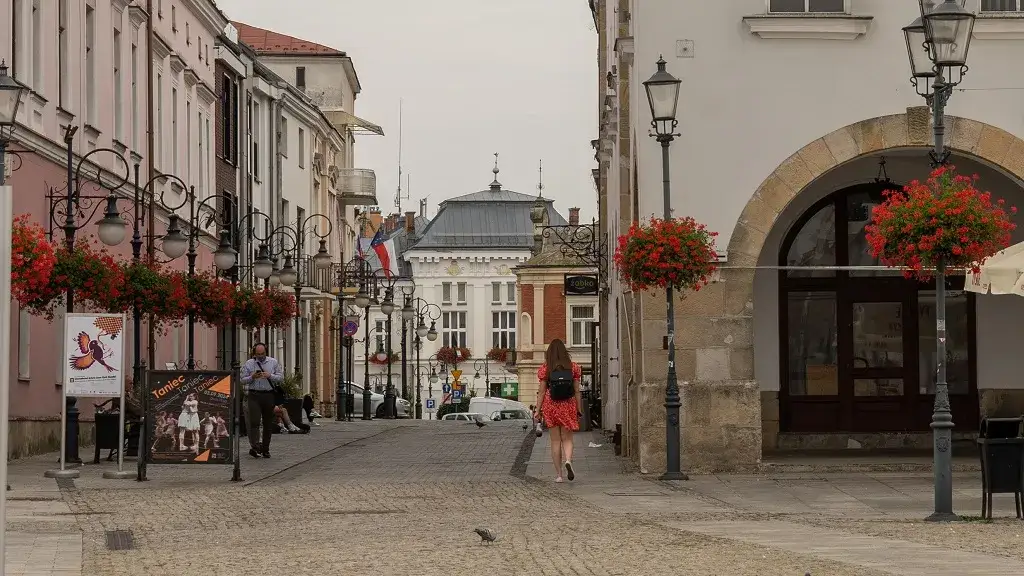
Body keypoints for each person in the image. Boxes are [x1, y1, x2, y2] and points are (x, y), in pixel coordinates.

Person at [535, 338, 583, 483]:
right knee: (567, 439)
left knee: (555, 441)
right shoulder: (573, 367)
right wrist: (578, 409)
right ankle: (568, 460)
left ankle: (559, 475)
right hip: (568, 404)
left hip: (551, 405)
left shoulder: (546, 368)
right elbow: (577, 391)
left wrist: (538, 410)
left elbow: (542, 392)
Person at [240, 342, 284, 458]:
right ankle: (255, 447)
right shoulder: (249, 363)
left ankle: (265, 448)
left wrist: (270, 376)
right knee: (254, 422)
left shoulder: (273, 362)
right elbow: (242, 380)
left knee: (267, 423)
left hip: (268, 395)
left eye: (262, 353)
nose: (260, 356)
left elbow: (280, 378)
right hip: (254, 395)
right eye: (258, 354)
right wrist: (252, 377)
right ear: (254, 353)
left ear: (266, 352)